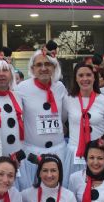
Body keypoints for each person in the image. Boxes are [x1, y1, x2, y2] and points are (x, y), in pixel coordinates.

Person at [16, 48, 68, 190]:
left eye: (47, 64)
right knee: (33, 192)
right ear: (32, 69)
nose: (43, 68)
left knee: (58, 190)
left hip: (59, 151)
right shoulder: (22, 88)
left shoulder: (60, 87)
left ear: (54, 67)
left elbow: (63, 116)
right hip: (32, 153)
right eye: (39, 65)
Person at [63, 63, 104, 181]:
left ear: (94, 77)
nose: (85, 79)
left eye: (88, 75)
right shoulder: (68, 100)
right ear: (75, 78)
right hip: (75, 154)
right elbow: (62, 123)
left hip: (98, 155)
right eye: (80, 75)